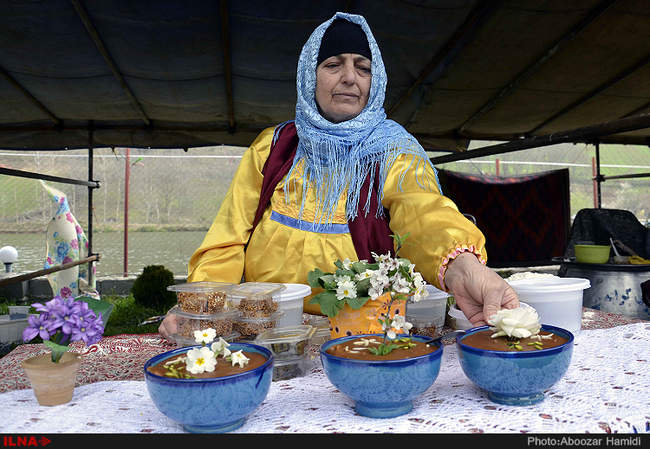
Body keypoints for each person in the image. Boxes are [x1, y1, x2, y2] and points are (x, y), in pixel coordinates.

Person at [159, 12, 518, 337]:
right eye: (333, 64)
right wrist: (201, 304)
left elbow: (425, 214)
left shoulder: (395, 153)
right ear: (309, 76)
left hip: (363, 332)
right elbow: (227, 239)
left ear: (376, 81)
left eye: (363, 68)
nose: (349, 77)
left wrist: (463, 267)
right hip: (266, 329)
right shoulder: (274, 147)